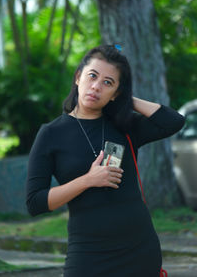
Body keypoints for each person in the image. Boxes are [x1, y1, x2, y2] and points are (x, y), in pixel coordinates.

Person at [26, 44, 185, 277]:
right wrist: (87, 180)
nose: (96, 86)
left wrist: (126, 101)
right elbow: (35, 202)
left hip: (139, 248)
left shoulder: (124, 126)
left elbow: (174, 121)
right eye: (92, 76)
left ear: (116, 93)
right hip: (88, 253)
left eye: (108, 83)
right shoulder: (51, 134)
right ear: (78, 77)